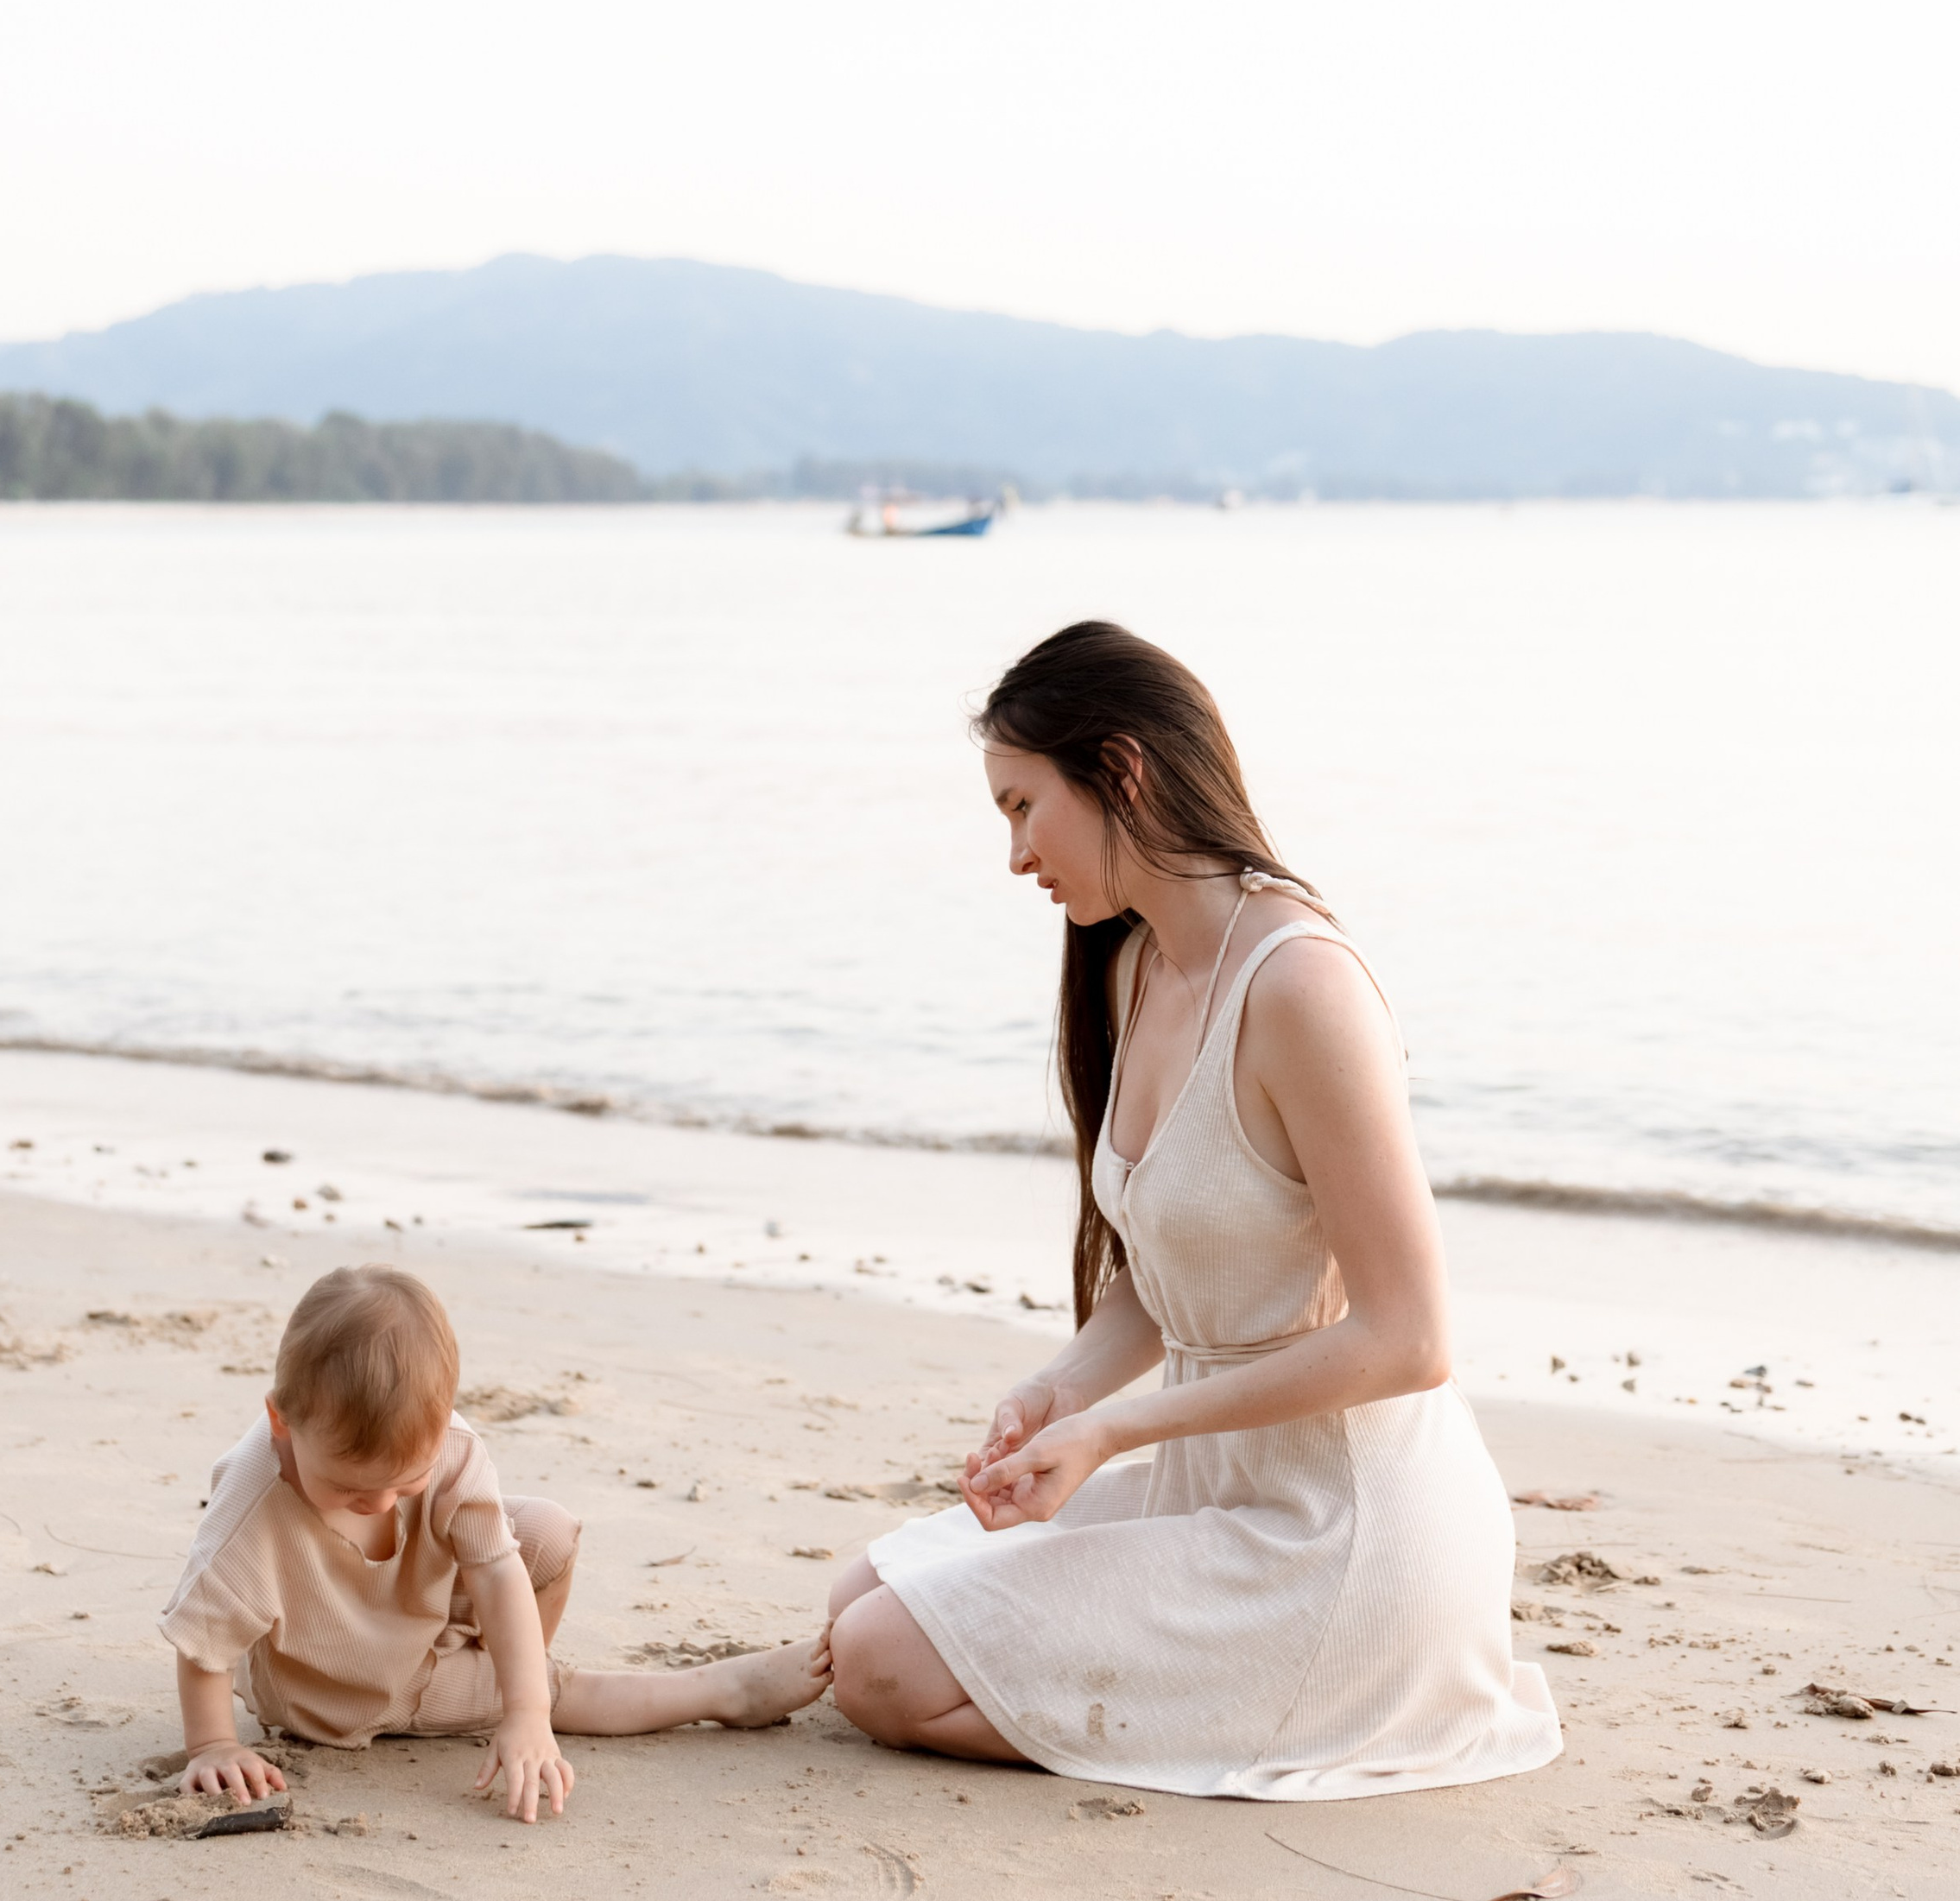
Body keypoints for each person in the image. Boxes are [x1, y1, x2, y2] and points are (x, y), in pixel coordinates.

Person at [825, 619, 1561, 1801]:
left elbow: (1410, 1340)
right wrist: (1057, 1393)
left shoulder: (1303, 986)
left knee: (876, 1665)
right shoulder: (1138, 963)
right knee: (859, 1597)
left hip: (1343, 1528)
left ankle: (1288, 1707)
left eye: (1024, 807)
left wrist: (1116, 1433)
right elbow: (1178, 1267)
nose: (1015, 855)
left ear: (1120, 772)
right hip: (1217, 1482)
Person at [161, 1264, 828, 1820]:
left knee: (546, 1533)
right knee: (565, 1694)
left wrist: (523, 1711)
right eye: (350, 1489)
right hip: (342, 1686)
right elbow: (205, 1642)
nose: (381, 1504)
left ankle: (504, 1677)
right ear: (282, 1419)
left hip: (404, 1607)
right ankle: (720, 1692)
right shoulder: (253, 1505)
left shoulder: (449, 1445)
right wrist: (213, 1743)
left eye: (406, 1481)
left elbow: (500, 1569)